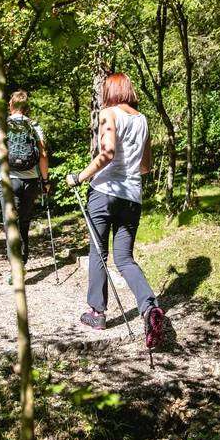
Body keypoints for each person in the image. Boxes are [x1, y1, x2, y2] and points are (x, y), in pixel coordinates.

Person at [66, 73, 164, 349]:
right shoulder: (142, 120)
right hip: (132, 196)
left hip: (105, 193)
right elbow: (144, 166)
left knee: (98, 251)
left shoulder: (108, 114)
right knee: (124, 257)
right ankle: (149, 307)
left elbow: (106, 153)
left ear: (109, 91)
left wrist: (79, 177)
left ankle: (97, 313)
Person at [0, 90, 50, 283]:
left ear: (10, 106)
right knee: (23, 222)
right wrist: (45, 181)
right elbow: (43, 156)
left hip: (7, 181)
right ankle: (21, 263)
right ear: (27, 107)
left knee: (10, 223)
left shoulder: (0, 124)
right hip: (30, 182)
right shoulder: (34, 125)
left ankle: (16, 266)